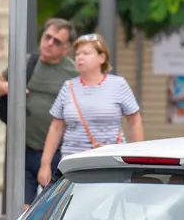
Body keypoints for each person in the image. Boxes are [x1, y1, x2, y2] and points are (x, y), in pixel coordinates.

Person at [0, 17, 77, 207]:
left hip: (57, 154)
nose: (49, 43)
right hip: (23, 150)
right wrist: (8, 87)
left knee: (52, 210)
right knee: (21, 210)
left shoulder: (72, 72)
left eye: (56, 41)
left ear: (66, 48)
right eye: (47, 37)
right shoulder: (27, 63)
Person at [37, 33, 144, 188]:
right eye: (78, 54)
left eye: (86, 53)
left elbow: (135, 121)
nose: (80, 57)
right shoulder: (68, 87)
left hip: (109, 162)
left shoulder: (118, 85)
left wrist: (138, 157)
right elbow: (56, 127)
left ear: (102, 58)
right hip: (73, 164)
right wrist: (45, 164)